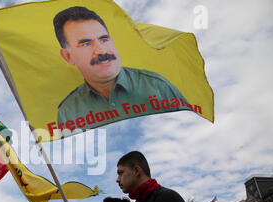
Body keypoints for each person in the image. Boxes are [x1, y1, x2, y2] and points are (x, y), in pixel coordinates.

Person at [52, 6, 190, 133]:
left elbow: (187, 132)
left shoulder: (157, 86)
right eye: (86, 43)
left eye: (104, 39)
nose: (101, 50)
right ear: (68, 56)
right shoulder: (68, 112)